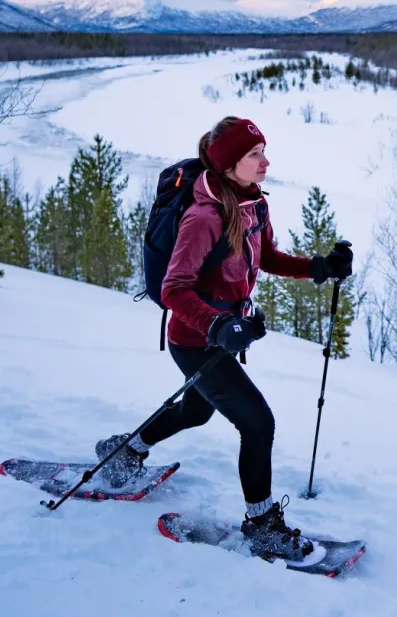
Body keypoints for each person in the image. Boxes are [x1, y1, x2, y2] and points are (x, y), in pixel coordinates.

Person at [94, 116, 353, 559]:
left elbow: (267, 255)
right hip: (194, 339)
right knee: (257, 423)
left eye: (263, 152)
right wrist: (217, 324)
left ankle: (125, 451)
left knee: (196, 411)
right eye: (255, 155)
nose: (265, 162)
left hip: (222, 336)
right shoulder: (203, 216)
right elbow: (175, 288)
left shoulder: (253, 203)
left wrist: (319, 266)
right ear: (230, 163)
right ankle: (262, 525)